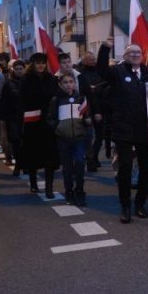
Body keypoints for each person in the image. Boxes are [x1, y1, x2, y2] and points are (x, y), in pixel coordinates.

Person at [98, 39, 148, 222]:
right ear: (125, 56)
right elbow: (102, 70)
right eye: (132, 52)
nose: (136, 55)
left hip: (144, 129)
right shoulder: (117, 72)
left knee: (146, 168)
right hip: (123, 128)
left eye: (138, 52)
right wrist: (104, 49)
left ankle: (140, 203)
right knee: (125, 168)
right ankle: (125, 206)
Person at [45, 71, 91, 206]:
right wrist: (57, 126)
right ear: (60, 84)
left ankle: (80, 190)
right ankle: (69, 192)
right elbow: (50, 118)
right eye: (65, 82)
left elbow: (86, 115)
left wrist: (87, 121)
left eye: (71, 82)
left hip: (79, 137)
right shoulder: (56, 100)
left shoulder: (80, 98)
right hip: (63, 138)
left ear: (75, 83)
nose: (68, 85)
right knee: (67, 167)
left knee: (80, 163)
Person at [19, 52, 60, 198]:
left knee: (50, 157)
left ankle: (49, 187)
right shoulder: (26, 79)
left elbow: (56, 96)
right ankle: (33, 182)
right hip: (33, 122)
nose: (41, 65)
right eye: (38, 63)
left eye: (43, 63)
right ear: (33, 64)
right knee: (33, 154)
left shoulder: (51, 79)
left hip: (48, 122)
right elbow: (22, 100)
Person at [76, 51, 107, 173]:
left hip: (100, 106)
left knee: (100, 135)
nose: (93, 61)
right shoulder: (79, 73)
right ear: (84, 61)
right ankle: (89, 160)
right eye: (90, 60)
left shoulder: (99, 71)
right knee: (88, 136)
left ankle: (94, 156)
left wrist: (99, 88)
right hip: (86, 108)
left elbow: (105, 85)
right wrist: (89, 89)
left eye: (94, 59)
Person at [2, 59, 25, 176]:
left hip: (26, 116)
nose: (19, 71)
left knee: (25, 141)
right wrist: (4, 116)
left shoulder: (28, 82)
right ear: (13, 70)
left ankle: (25, 164)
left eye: (21, 69)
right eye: (17, 69)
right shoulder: (8, 84)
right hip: (13, 117)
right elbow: (4, 100)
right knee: (15, 142)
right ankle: (18, 164)